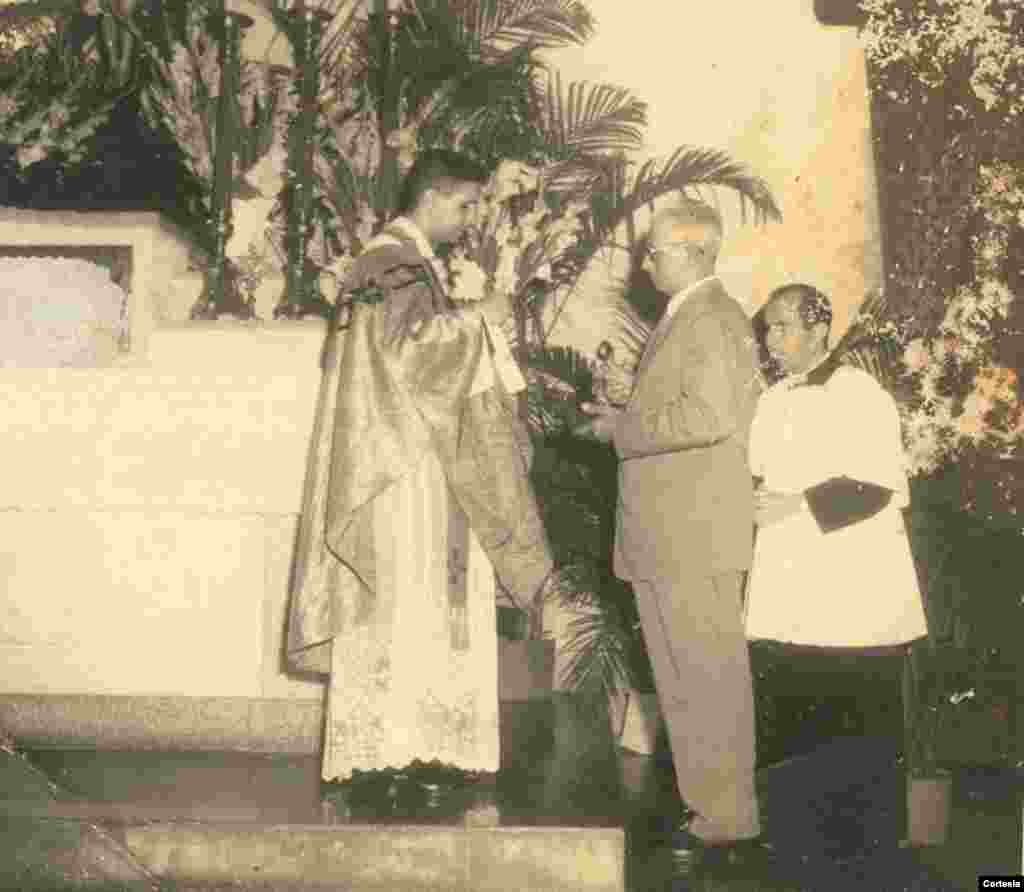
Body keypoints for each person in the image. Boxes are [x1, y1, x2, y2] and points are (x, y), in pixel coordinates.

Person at [286, 150, 554, 786]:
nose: (469, 221)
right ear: (431, 198)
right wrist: (478, 320)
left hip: (408, 454)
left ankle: (411, 745)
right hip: (398, 465)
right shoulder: (391, 262)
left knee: (418, 599)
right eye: (464, 206)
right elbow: (407, 355)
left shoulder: (399, 264)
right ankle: (394, 752)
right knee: (406, 598)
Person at [580, 201, 766, 864]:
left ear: (690, 251)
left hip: (692, 535)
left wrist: (621, 431)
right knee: (684, 680)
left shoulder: (710, 317)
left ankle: (730, 822)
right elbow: (687, 408)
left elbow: (709, 415)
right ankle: (709, 813)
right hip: (672, 533)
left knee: (707, 678)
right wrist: (630, 401)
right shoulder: (689, 313)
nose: (644, 262)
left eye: (653, 251)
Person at [744, 283, 927, 733]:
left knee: (860, 725)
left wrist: (796, 505)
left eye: (782, 327)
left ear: (819, 331)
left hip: (849, 590)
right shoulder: (771, 400)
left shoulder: (858, 392)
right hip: (789, 585)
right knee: (800, 723)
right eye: (768, 329)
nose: (770, 340)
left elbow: (879, 482)